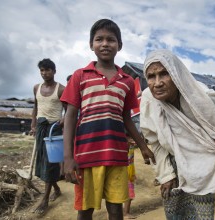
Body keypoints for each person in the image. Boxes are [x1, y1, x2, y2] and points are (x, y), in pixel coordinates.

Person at [61, 19, 155, 220]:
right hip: (86, 156)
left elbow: (127, 119)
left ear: (119, 45)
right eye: (99, 39)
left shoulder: (127, 82)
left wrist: (143, 146)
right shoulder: (80, 76)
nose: (105, 44)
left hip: (116, 156)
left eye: (111, 40)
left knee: (115, 210)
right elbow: (70, 117)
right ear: (91, 45)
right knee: (85, 211)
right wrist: (68, 157)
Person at [140, 49, 215, 219]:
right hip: (173, 165)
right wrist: (165, 175)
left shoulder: (196, 91)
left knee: (204, 213)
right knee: (176, 213)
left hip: (204, 165)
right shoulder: (149, 99)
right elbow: (154, 141)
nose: (157, 83)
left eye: (164, 74)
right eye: (151, 77)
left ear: (176, 73)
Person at [29, 58, 66, 214]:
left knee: (50, 163)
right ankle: (56, 189)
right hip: (41, 129)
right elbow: (36, 107)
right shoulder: (36, 88)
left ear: (54, 71)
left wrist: (63, 119)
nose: (44, 73)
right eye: (42, 70)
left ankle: (44, 200)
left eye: (48, 70)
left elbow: (68, 109)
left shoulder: (61, 89)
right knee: (42, 162)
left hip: (54, 131)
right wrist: (33, 125)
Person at [123, 137, 137, 219]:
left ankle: (125, 212)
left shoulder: (130, 144)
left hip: (129, 169)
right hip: (125, 170)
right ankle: (126, 213)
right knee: (129, 191)